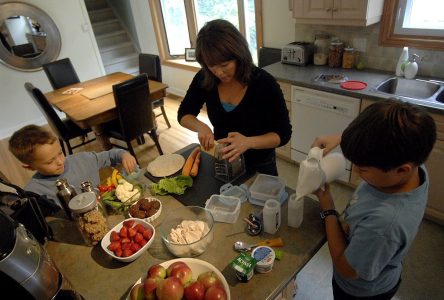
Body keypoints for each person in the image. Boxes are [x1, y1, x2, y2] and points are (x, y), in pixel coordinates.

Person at [312, 100, 436, 299]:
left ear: (401, 169)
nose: (356, 172)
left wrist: (328, 208)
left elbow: (347, 269)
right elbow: (382, 136)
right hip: (373, 255)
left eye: (363, 169)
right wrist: (342, 138)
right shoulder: (414, 165)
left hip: (359, 292)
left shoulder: (384, 225)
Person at [177, 19, 292, 175]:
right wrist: (200, 126)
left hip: (260, 164)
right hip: (223, 159)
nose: (218, 72)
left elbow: (283, 134)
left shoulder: (264, 84)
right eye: (211, 66)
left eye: (224, 65)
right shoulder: (204, 78)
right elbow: (184, 113)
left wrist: (248, 142)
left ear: (239, 55)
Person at [8, 124, 137, 208]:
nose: (60, 161)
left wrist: (124, 155)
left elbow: (110, 155)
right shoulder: (34, 192)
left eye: (60, 153)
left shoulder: (82, 159)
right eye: (49, 162)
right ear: (30, 167)